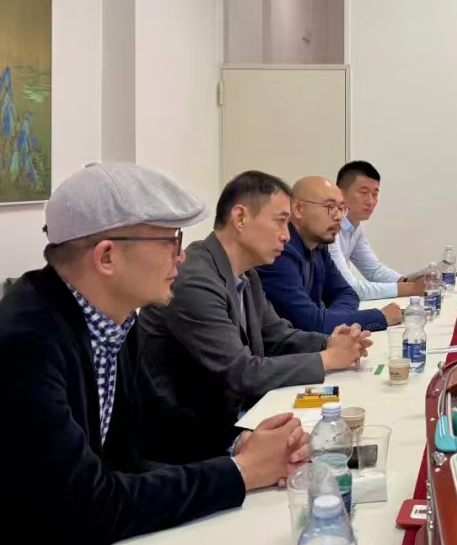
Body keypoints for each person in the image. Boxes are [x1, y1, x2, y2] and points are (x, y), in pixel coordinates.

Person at [0, 163, 310, 545]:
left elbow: (151, 432)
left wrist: (240, 444)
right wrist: (240, 473)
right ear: (107, 256)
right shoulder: (20, 348)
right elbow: (90, 508)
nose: (181, 256)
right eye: (170, 241)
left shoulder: (113, 321)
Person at [135, 170, 372, 464]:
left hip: (231, 422)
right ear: (240, 218)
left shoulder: (246, 274)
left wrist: (331, 343)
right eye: (280, 221)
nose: (287, 235)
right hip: (188, 447)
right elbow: (241, 372)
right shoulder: (194, 278)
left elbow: (277, 335)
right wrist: (327, 358)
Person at [258, 176, 401, 332]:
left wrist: (333, 320)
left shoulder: (318, 246)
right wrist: (380, 317)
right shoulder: (279, 251)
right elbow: (310, 323)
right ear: (298, 209)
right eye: (330, 207)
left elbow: (346, 292)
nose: (338, 216)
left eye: (341, 208)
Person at [331, 160, 425, 301]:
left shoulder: (355, 227)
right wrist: (410, 288)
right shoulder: (329, 228)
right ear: (340, 194)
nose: (370, 201)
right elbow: (349, 287)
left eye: (375, 194)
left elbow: (373, 270)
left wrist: (405, 281)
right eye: (363, 192)